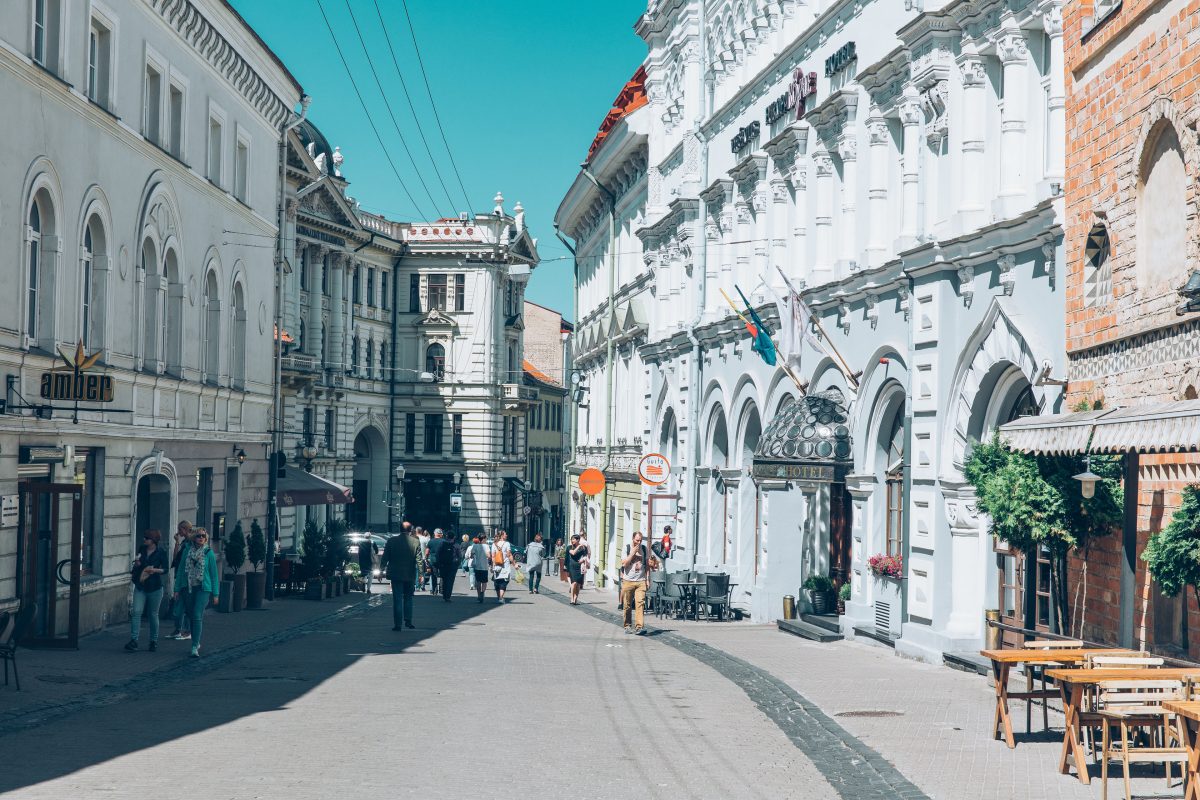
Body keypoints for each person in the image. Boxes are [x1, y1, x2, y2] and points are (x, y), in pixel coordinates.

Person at [173, 527, 218, 658]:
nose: (201, 538)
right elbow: (181, 571)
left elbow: (214, 575)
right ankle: (196, 641)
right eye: (198, 536)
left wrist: (216, 594)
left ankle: (194, 646)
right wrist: (176, 589)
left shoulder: (208, 553)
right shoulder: (187, 550)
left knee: (197, 614)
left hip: (203, 588)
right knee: (191, 615)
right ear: (194, 538)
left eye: (203, 536)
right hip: (188, 587)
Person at [126, 529, 169, 652]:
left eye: (147, 538)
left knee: (153, 614)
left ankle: (153, 641)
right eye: (144, 538)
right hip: (141, 586)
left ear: (153, 540)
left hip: (155, 587)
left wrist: (155, 570)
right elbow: (137, 565)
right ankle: (134, 640)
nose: (144, 540)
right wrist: (137, 564)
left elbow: (165, 569)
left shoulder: (161, 552)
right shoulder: (142, 549)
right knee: (136, 612)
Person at [380, 523, 424, 630]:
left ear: (399, 529)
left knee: (397, 599)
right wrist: (421, 574)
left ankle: (398, 624)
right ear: (410, 530)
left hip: (395, 574)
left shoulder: (391, 541)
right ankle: (408, 621)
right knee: (408, 598)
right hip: (409, 574)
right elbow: (419, 560)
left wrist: (381, 570)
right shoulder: (415, 541)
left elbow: (385, 557)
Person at [620, 531, 658, 635]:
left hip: (640, 581)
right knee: (627, 605)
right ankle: (627, 626)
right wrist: (632, 553)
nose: (639, 542)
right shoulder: (626, 548)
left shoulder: (644, 549)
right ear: (633, 539)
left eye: (640, 540)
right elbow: (624, 564)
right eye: (637, 540)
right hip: (628, 580)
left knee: (640, 603)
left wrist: (647, 579)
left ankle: (639, 627)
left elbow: (646, 565)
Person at [168, 520, 194, 640]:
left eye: (180, 530)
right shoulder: (184, 542)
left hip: (188, 578)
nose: (179, 532)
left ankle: (187, 631)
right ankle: (178, 629)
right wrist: (177, 542)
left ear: (186, 529)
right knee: (178, 604)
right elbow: (175, 558)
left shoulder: (192, 543)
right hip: (179, 575)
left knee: (187, 605)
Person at [433, 528, 459, 602]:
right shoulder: (456, 545)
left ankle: (444, 595)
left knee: (444, 580)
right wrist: (457, 564)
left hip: (443, 565)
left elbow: (437, 553)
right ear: (454, 537)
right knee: (450, 581)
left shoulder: (442, 543)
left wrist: (439, 562)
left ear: (447, 536)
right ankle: (448, 596)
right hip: (453, 565)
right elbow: (459, 556)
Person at [490, 530, 516, 603]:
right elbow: (509, 555)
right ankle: (501, 598)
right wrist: (514, 564)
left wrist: (493, 565)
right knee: (504, 582)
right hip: (505, 566)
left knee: (497, 582)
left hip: (497, 566)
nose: (506, 535)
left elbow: (493, 556)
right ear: (502, 536)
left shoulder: (494, 544)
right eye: (505, 534)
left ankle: (499, 597)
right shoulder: (507, 544)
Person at [566, 534, 589, 605]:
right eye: (571, 539)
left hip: (580, 566)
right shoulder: (569, 547)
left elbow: (586, 556)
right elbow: (573, 553)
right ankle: (572, 599)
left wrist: (583, 559)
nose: (572, 540)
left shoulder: (584, 547)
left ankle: (575, 599)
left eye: (574, 539)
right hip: (572, 566)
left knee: (578, 584)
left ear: (578, 540)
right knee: (574, 583)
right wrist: (578, 546)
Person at [426, 529, 448, 595]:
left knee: (433, 575)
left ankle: (434, 590)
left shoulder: (431, 541)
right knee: (442, 575)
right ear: (441, 534)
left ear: (435, 534)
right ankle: (441, 590)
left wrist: (426, 559)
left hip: (433, 560)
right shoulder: (444, 541)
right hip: (442, 561)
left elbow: (427, 552)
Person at [470, 536, 489, 602]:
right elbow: (488, 555)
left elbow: (471, 556)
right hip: (484, 566)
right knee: (484, 582)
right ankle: (482, 593)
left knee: (478, 581)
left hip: (477, 566)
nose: (486, 540)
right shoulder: (486, 546)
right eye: (486, 538)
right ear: (483, 539)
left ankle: (478, 596)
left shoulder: (475, 546)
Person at [416, 527, 430, 591]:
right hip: (423, 558)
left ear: (416, 531)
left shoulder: (413, 539)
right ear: (421, 531)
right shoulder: (425, 539)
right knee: (423, 573)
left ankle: (417, 586)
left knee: (416, 573)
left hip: (415, 558)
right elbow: (428, 549)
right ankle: (422, 586)